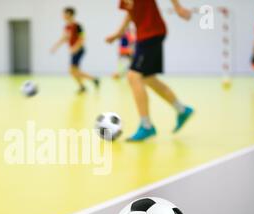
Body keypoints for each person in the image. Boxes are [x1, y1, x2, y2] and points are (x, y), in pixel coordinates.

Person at [106, 0, 194, 142]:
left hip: (152, 32)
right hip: (145, 35)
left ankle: (146, 126)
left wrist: (177, 7)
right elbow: (130, 13)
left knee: (133, 76)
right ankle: (182, 110)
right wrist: (118, 33)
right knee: (148, 78)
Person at [51, 7, 100, 94]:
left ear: (69, 14)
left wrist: (75, 48)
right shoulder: (66, 27)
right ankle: (92, 81)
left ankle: (85, 85)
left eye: (64, 13)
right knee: (74, 70)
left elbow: (82, 38)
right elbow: (64, 38)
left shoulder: (78, 26)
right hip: (73, 51)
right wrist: (55, 46)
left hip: (79, 50)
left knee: (72, 70)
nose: (63, 16)